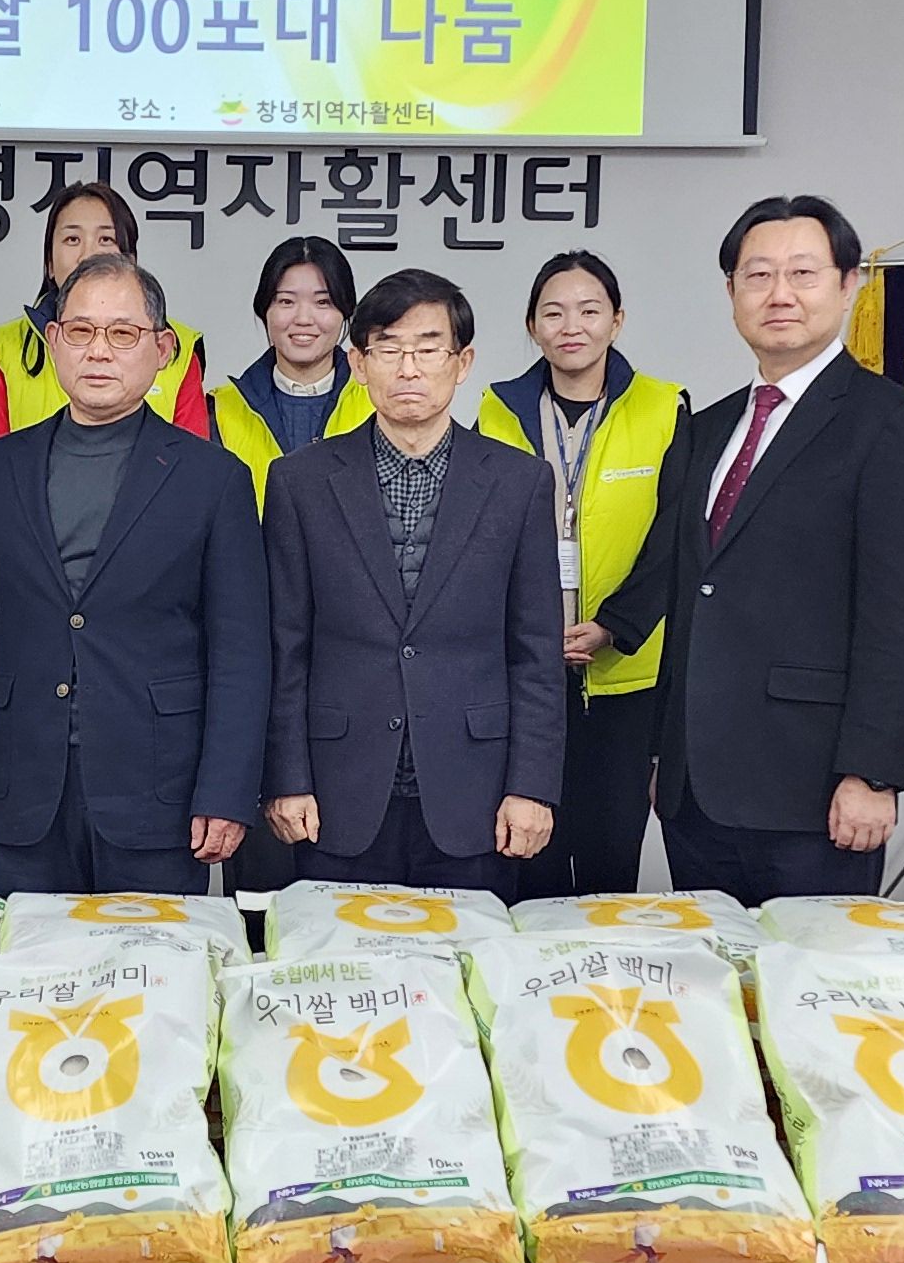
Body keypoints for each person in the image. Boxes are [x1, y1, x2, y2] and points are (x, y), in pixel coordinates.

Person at [592, 194, 904, 897]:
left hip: (814, 789)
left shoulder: (893, 426)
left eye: (802, 273)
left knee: (810, 966)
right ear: (732, 292)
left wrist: (873, 773)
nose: (779, 294)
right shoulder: (706, 429)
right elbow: (690, 597)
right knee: (714, 964)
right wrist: (666, 752)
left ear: (848, 284)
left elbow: (902, 618)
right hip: (695, 791)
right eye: (757, 275)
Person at [0, 250, 266, 893]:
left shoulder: (214, 479)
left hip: (162, 791)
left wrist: (227, 790)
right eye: (81, 331)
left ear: (163, 350)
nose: (99, 351)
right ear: (53, 340)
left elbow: (241, 651)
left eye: (123, 333)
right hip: (24, 785)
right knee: (29, 956)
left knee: (155, 956)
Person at [261, 269, 564, 893]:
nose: (408, 369)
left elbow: (535, 652)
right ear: (358, 363)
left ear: (462, 362)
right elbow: (285, 646)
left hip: (476, 794)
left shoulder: (520, 483)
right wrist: (286, 778)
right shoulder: (300, 481)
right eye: (388, 349)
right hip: (337, 791)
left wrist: (531, 787)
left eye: (428, 349)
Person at [476, 249, 684, 898]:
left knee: (609, 863)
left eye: (589, 311)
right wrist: (530, 633)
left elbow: (675, 539)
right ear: (532, 325)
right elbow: (479, 538)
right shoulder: (497, 410)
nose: (572, 326)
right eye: (554, 312)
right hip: (522, 673)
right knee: (524, 861)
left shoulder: (663, 407)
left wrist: (613, 626)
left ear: (616, 320)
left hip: (623, 679)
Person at [0, 179, 212, 444]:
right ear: (49, 263)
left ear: (130, 261)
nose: (88, 254)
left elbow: (192, 458)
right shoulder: (7, 345)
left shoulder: (176, 346)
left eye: (106, 239)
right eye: (72, 239)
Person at [206, 234, 373, 504]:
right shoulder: (220, 410)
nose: (303, 319)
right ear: (265, 311)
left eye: (323, 302)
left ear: (345, 312)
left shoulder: (377, 402)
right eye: (286, 302)